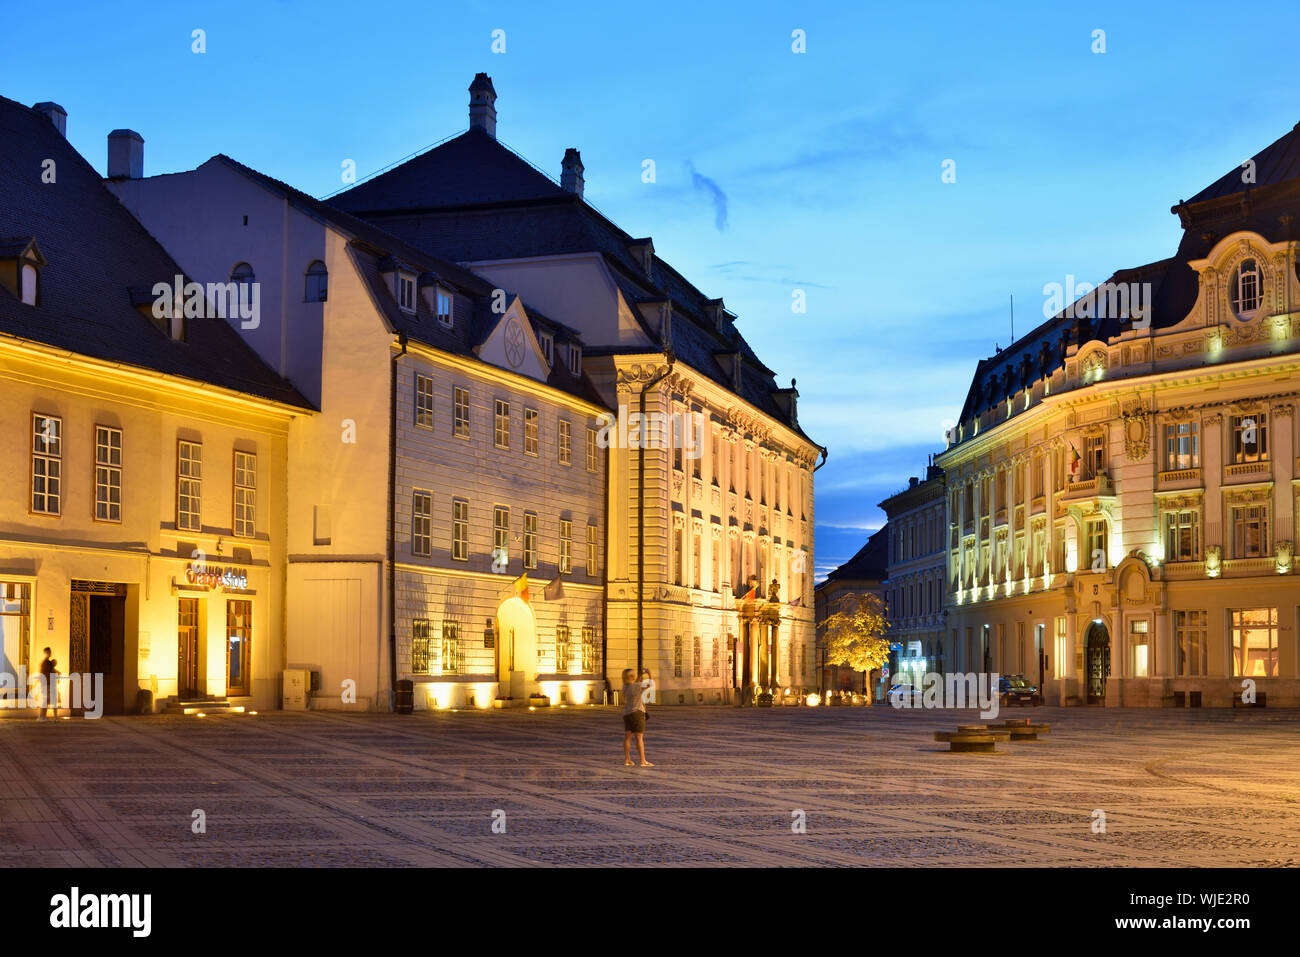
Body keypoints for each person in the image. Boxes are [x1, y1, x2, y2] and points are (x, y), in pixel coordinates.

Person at [622, 667, 654, 767]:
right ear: (632, 676)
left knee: (627, 737)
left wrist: (640, 676)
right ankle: (643, 761)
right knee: (639, 738)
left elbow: (635, 684)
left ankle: (627, 759)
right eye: (634, 674)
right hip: (637, 713)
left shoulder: (625, 687)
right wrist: (649, 674)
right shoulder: (636, 686)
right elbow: (650, 684)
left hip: (627, 714)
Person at [37, 647, 58, 720]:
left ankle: (42, 716)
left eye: (50, 652)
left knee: (46, 700)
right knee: (45, 701)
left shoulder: (47, 663)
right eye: (48, 652)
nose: (50, 653)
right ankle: (41, 716)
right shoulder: (46, 663)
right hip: (47, 684)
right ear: (46, 653)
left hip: (47, 684)